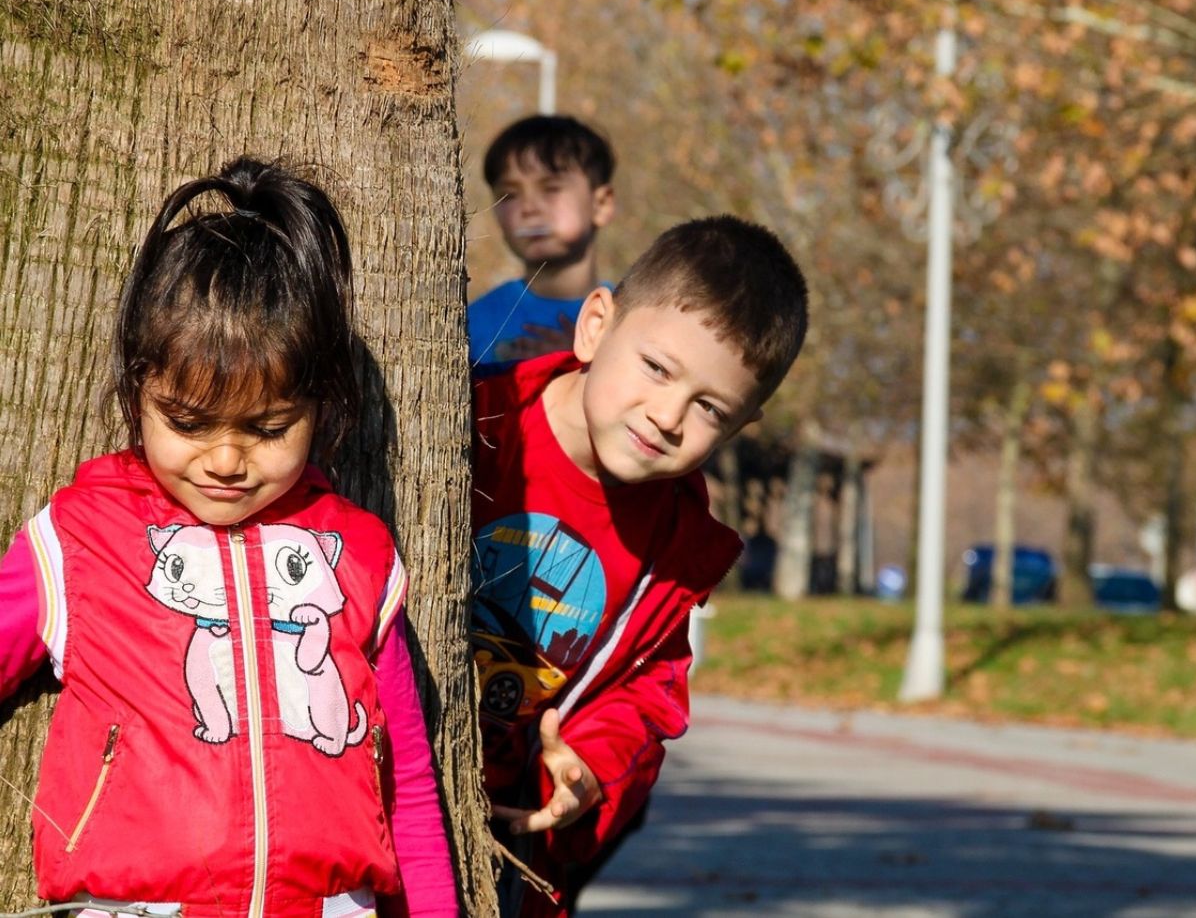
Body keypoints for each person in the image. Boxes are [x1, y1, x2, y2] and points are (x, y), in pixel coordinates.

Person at [0, 158, 457, 916]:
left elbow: (404, 778)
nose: (224, 461)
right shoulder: (77, 542)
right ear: (135, 391)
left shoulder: (358, 557)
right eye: (186, 423)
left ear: (321, 407)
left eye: (269, 429)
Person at [470, 215, 809, 916]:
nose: (666, 415)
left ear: (744, 424)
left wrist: (589, 771)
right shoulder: (475, 422)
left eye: (709, 407)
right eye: (656, 368)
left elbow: (647, 693)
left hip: (505, 843)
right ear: (596, 325)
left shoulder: (677, 549)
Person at [468, 114, 616, 366]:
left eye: (551, 188)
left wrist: (583, 364)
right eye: (510, 195)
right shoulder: (472, 324)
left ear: (601, 204)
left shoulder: (630, 319)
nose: (528, 208)